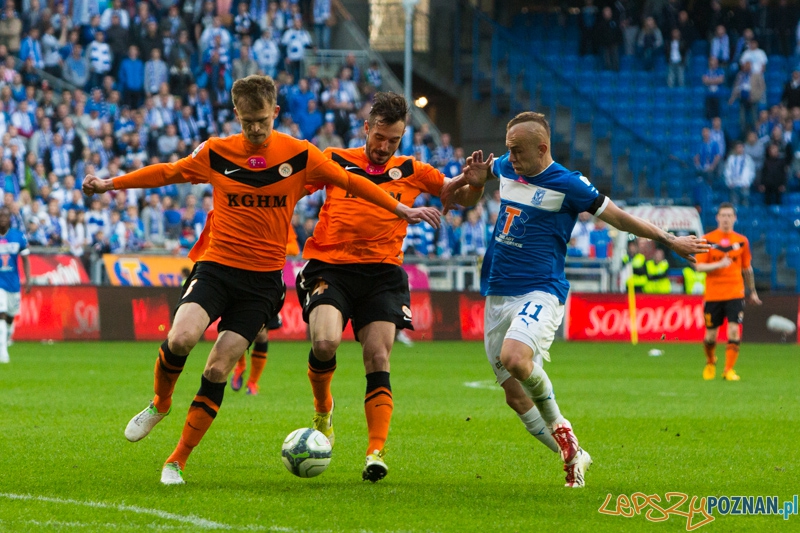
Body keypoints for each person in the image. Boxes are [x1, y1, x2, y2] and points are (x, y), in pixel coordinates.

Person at [81, 75, 441, 485]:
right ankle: (160, 403)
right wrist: (111, 183)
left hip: (263, 282)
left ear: (276, 113)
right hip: (217, 267)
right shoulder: (216, 152)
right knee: (180, 338)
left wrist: (401, 211)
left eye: (262, 121)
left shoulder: (300, 154)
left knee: (218, 368)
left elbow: (352, 181)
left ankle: (176, 460)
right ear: (237, 114)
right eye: (248, 121)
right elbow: (168, 173)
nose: (255, 129)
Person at [462, 111, 708, 487]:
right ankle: (574, 455)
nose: (508, 158)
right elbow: (470, 190)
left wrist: (669, 240)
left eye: (516, 151)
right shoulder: (507, 167)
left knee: (515, 357)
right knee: (514, 396)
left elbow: (621, 219)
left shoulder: (569, 184)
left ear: (542, 148)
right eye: (508, 150)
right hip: (497, 292)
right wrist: (470, 186)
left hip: (541, 290)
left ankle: (562, 427)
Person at [295, 91, 484, 482]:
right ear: (366, 128)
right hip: (331, 266)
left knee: (378, 358)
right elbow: (293, 187)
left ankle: (374, 452)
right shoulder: (334, 160)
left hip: (382, 274)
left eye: (393, 140)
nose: (384, 147)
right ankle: (322, 410)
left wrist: (476, 185)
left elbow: (457, 194)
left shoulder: (413, 169)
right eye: (379, 137)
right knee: (324, 343)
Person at [694, 203, 761, 382]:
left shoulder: (741, 241)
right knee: (710, 336)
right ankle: (710, 362)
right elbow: (698, 266)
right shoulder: (707, 240)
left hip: (735, 293)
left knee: (733, 331)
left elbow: (747, 268)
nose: (726, 219)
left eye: (729, 215)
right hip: (714, 295)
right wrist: (719, 264)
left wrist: (752, 291)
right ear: (717, 218)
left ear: (734, 218)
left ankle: (728, 370)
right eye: (723, 215)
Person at [231, 226, 301, 396]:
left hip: (269, 282)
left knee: (261, 334)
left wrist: (270, 248)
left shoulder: (280, 216)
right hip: (241, 278)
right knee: (237, 330)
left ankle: (252, 383)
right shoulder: (245, 215)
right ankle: (240, 365)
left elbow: (294, 248)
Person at [0, 206, 31, 363]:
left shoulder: (18, 236)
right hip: (0, 283)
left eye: (6, 216)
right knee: (1, 314)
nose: (3, 218)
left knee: (10, 317)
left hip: (13, 283)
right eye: (1, 216)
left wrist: (29, 279)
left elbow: (25, 259)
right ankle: (2, 352)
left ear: (10, 219)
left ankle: (6, 339)